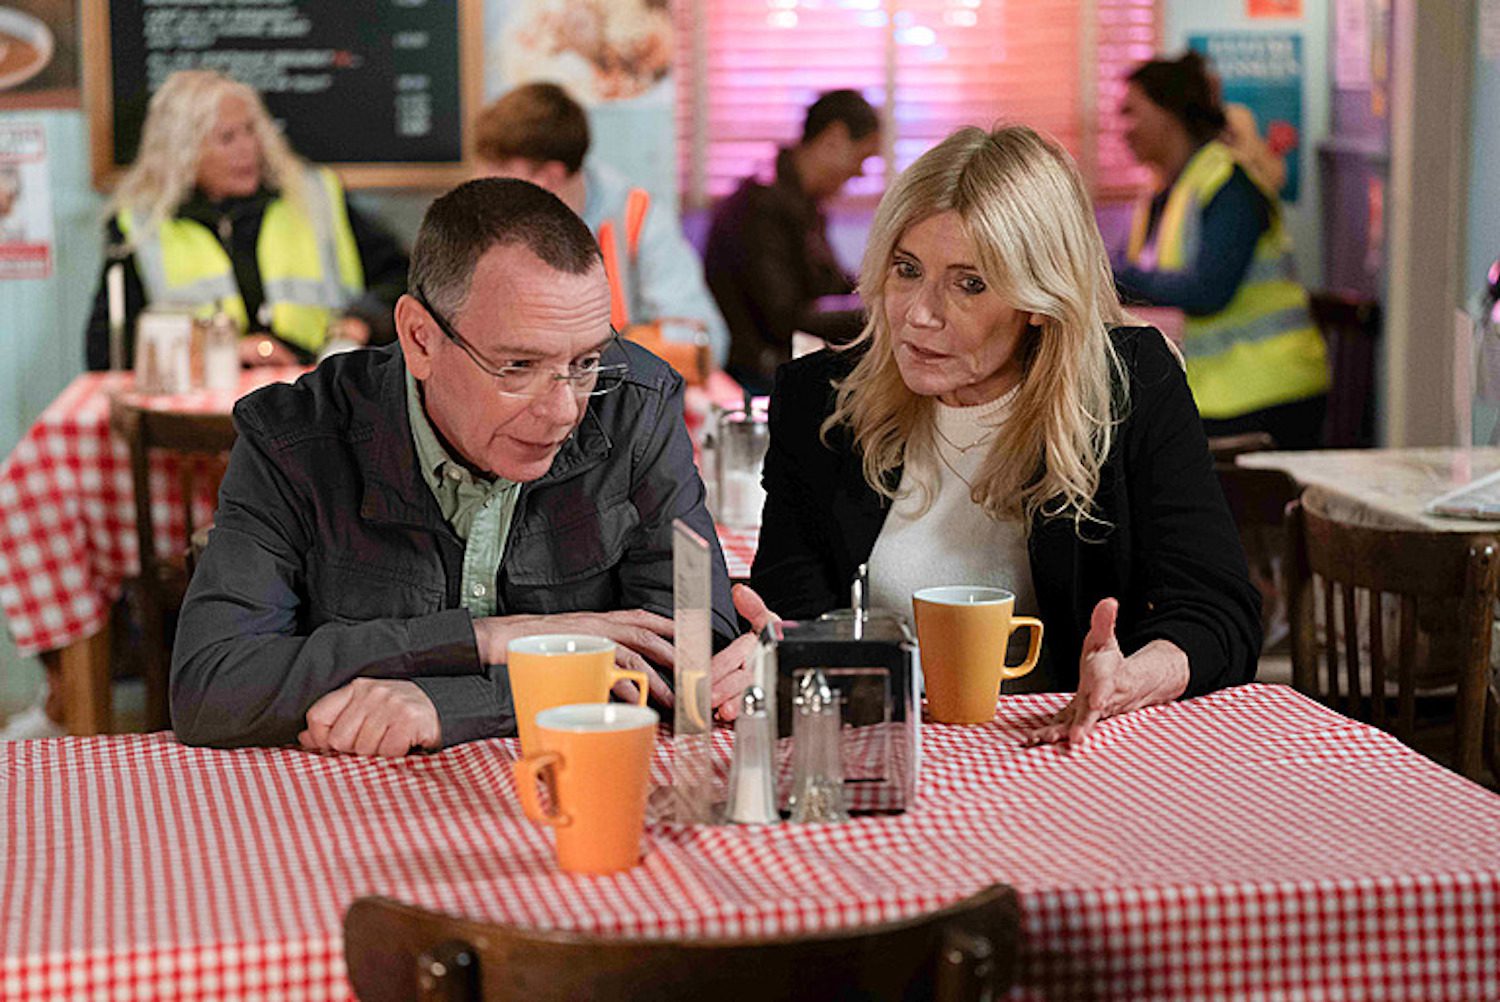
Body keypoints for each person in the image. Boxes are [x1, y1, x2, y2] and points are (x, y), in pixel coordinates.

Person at [171, 178, 773, 755]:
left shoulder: (634, 408)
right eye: (517, 367)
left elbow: (690, 658)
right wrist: (487, 640)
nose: (564, 409)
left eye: (587, 362)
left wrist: (453, 703)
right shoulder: (297, 436)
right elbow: (214, 685)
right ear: (420, 339)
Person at [751, 125, 1261, 749]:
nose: (919, 312)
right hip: (878, 746)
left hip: (1069, 755)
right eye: (906, 270)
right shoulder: (821, 401)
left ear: (1038, 300)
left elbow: (1219, 612)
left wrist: (1132, 677)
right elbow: (788, 611)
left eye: (970, 283)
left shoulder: (1129, 386)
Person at [84, 69, 410, 371]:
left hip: (319, 394)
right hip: (202, 415)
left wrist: (360, 322)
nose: (248, 148)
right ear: (182, 154)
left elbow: (403, 279)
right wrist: (225, 351)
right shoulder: (141, 225)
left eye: (251, 130)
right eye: (227, 138)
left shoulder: (315, 195)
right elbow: (106, 351)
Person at [1112, 52, 1329, 450]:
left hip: (1267, 394)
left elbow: (1207, 291)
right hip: (1212, 391)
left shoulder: (1230, 185)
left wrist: (1113, 275)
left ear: (1167, 113)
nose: (1122, 129)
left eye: (1131, 112)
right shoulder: (1164, 195)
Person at [472, 82, 729, 368]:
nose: (488, 191)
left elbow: (706, 346)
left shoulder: (637, 218)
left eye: (501, 177)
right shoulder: (486, 224)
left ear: (549, 177)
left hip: (615, 401)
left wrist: (597, 352)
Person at [704, 88, 881, 393]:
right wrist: (876, 310)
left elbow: (831, 283)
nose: (859, 172)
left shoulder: (802, 199)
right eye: (861, 158)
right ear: (833, 139)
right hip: (759, 373)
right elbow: (784, 317)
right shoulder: (763, 204)